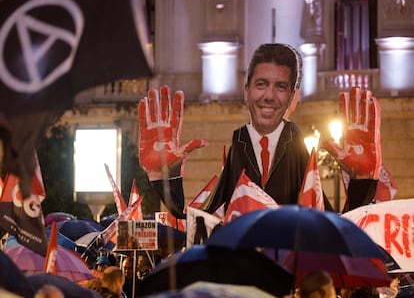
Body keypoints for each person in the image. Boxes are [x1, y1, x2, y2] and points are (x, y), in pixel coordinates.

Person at [138, 43, 382, 217]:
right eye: (261, 85)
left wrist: (362, 181)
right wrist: (166, 176)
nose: (268, 96)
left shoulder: (297, 145)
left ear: (293, 98)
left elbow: (331, 224)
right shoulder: (239, 143)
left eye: (280, 87)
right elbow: (200, 217)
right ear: (247, 91)